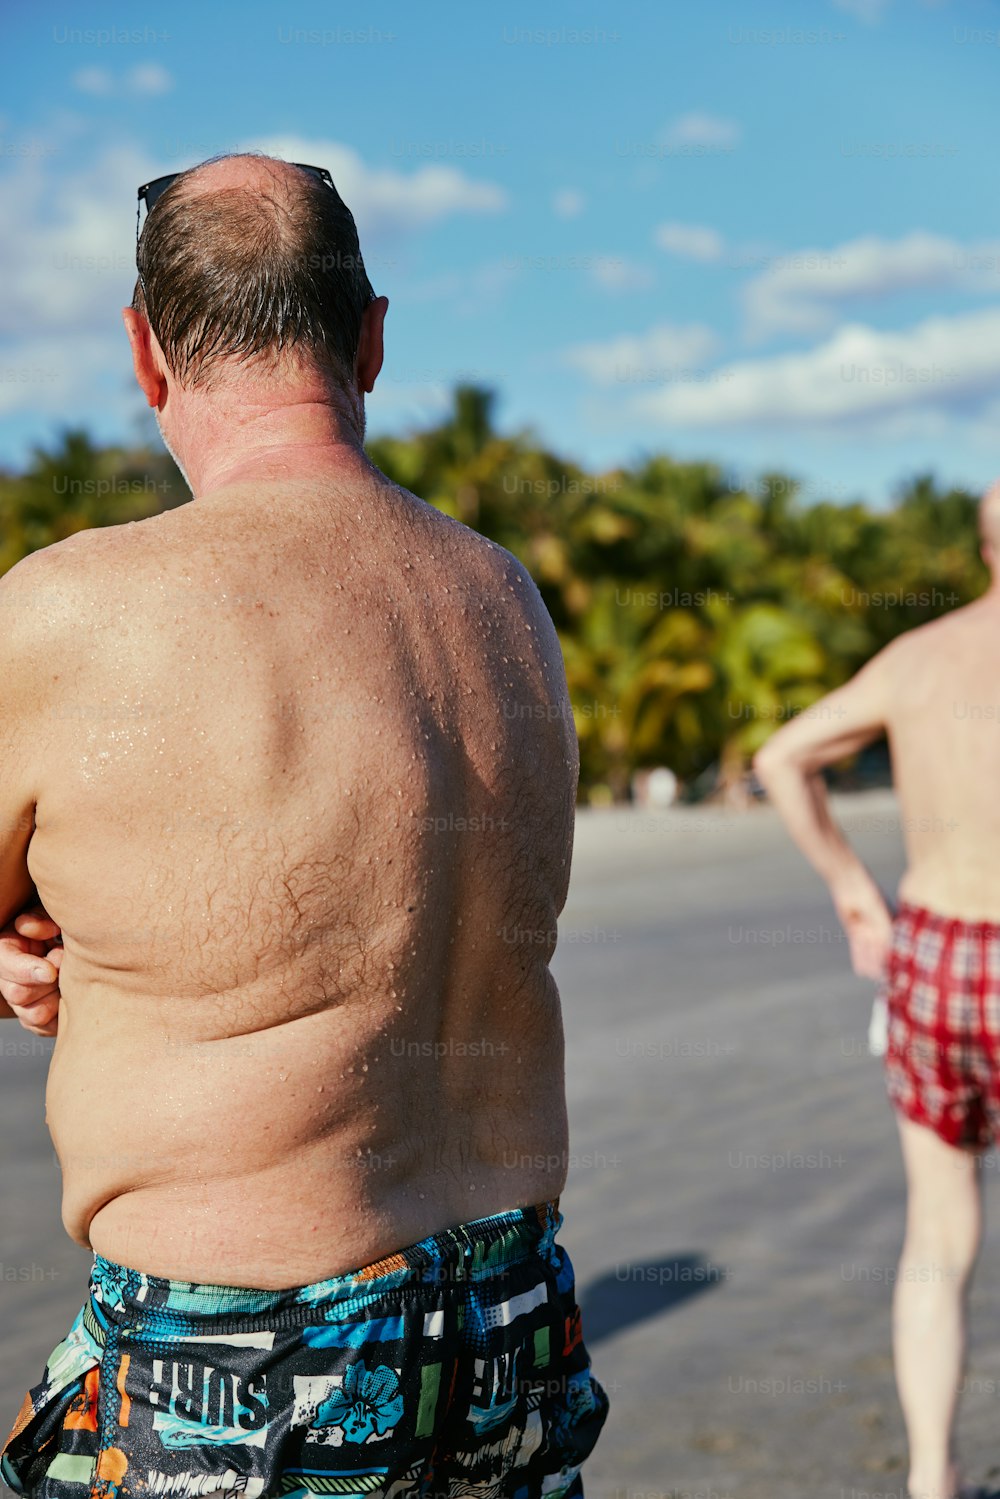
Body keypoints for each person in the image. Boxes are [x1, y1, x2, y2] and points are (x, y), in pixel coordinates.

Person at [0, 153, 607, 1499]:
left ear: (145, 352)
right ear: (372, 338)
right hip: (506, 1329)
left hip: (239, 1352)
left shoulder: (70, 613)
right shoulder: (506, 601)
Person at [752, 484, 1000, 1499]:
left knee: (937, 1228)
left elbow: (781, 755)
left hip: (938, 956)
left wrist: (856, 894)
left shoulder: (919, 657)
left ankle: (931, 1477)